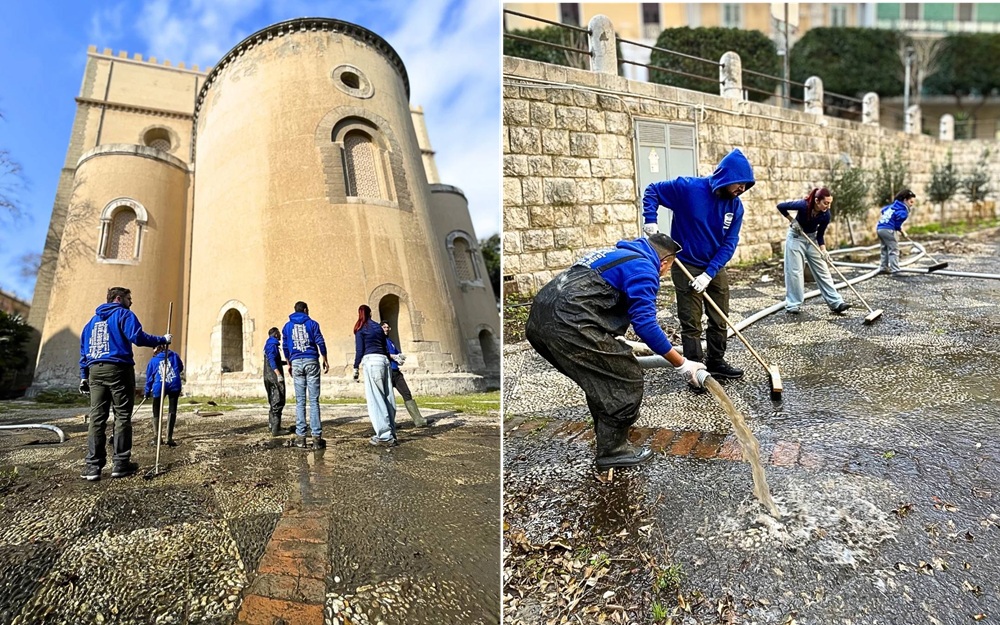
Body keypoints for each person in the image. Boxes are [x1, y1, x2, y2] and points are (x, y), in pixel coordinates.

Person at [525, 234, 708, 469]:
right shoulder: (644, 268)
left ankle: (608, 436)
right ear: (664, 261)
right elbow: (646, 326)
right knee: (625, 377)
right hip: (569, 324)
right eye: (668, 268)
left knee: (602, 376)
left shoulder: (614, 254)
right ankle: (613, 450)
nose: (664, 274)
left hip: (539, 321)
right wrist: (682, 364)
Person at [642, 148, 755, 380]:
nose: (742, 189)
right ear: (727, 177)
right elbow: (652, 190)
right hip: (687, 264)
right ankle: (695, 370)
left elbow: (729, 243)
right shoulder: (688, 188)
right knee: (690, 320)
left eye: (746, 185)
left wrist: (710, 273)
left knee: (719, 315)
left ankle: (715, 362)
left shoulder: (736, 207)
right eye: (739, 183)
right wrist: (650, 220)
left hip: (714, 266)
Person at [79, 286, 171, 481]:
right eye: (130, 298)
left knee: (97, 418)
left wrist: (84, 375)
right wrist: (162, 339)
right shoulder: (123, 315)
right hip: (118, 370)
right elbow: (137, 337)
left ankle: (92, 467)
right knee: (122, 416)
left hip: (95, 371)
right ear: (119, 299)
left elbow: (83, 351)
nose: (132, 302)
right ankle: (120, 463)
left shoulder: (90, 323)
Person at [777, 187, 852, 315]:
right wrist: (792, 220)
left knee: (823, 270)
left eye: (830, 203)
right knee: (795, 271)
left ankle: (836, 303)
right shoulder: (803, 205)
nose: (828, 206)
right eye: (826, 203)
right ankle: (793, 304)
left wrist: (824, 251)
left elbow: (820, 235)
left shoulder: (826, 215)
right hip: (796, 237)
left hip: (811, 239)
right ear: (817, 201)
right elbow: (781, 206)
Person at [282, 301, 329, 449]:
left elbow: (285, 346)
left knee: (300, 401)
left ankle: (301, 437)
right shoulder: (312, 324)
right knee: (314, 401)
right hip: (311, 360)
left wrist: (289, 363)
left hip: (296, 362)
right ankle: (316, 438)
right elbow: (320, 341)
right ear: (305, 310)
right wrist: (325, 359)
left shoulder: (287, 326)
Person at [354, 305, 397, 446]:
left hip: (372, 362)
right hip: (384, 361)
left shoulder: (360, 328)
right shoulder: (378, 328)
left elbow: (360, 350)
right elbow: (385, 347)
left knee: (376, 399)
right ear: (370, 313)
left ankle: (384, 436)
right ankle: (392, 432)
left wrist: (355, 366)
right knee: (388, 397)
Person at [380, 320, 430, 428]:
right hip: (386, 371)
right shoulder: (380, 341)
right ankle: (390, 423)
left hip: (396, 371)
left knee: (406, 393)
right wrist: (393, 356)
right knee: (388, 398)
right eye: (384, 327)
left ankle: (418, 420)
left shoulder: (390, 341)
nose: (386, 329)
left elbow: (397, 353)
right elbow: (383, 353)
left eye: (388, 327)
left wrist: (400, 358)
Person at [144, 344, 184, 447]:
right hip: (174, 384)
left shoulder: (153, 361)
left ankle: (157, 438)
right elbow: (180, 367)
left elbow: (149, 379)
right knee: (172, 409)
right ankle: (168, 438)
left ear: (156, 349)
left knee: (156, 409)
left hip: (159, 385)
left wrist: (147, 392)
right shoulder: (174, 355)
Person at [877, 189, 915, 276]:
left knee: (884, 248)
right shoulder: (903, 211)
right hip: (889, 230)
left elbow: (883, 210)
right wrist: (901, 230)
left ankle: (883, 268)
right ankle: (895, 270)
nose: (912, 204)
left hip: (880, 228)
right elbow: (897, 224)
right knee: (893, 249)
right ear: (905, 200)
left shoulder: (893, 206)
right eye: (911, 202)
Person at [263, 327, 287, 437]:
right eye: (279, 333)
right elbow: (272, 360)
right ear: (276, 334)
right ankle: (276, 429)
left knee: (272, 401)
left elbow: (274, 360)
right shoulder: (272, 345)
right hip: (273, 378)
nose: (281, 336)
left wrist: (286, 362)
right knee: (278, 400)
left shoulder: (268, 344)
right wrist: (278, 374)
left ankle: (272, 426)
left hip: (268, 377)